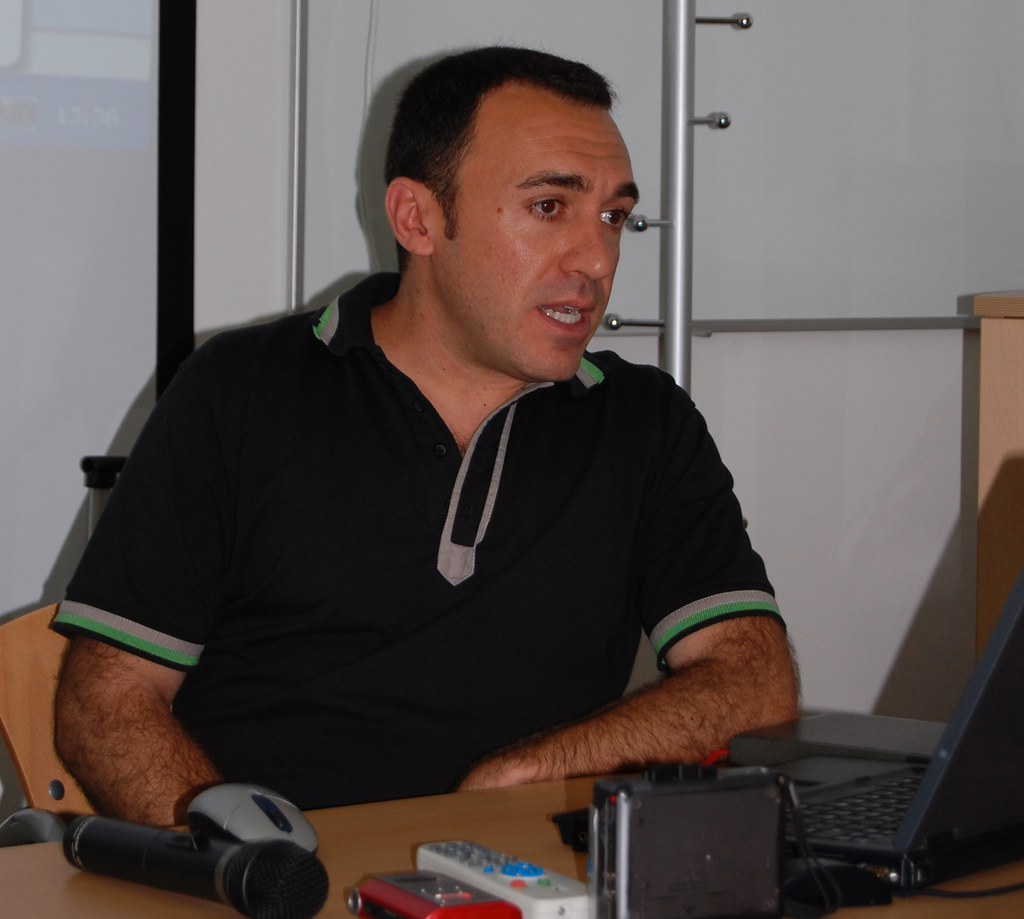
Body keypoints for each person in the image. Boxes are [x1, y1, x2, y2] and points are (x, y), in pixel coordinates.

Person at [52, 46, 799, 827]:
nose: (595, 258)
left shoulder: (643, 420)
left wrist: (530, 772)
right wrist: (245, 862)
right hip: (275, 869)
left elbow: (753, 680)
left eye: (613, 217)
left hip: (523, 876)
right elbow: (105, 701)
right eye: (550, 207)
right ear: (418, 219)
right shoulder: (242, 389)